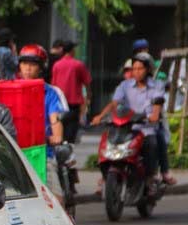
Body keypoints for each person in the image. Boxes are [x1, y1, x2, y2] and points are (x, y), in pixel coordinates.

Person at [91, 53, 163, 194]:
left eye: (140, 69)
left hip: (145, 128)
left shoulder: (157, 86)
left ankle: (149, 179)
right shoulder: (125, 86)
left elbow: (157, 104)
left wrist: (154, 115)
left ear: (147, 69)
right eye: (134, 69)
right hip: (125, 127)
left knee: (152, 144)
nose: (136, 72)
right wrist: (100, 116)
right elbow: (114, 104)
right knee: (106, 143)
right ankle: (105, 179)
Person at [17, 44, 68, 202]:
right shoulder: (11, 89)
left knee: (57, 200)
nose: (27, 68)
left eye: (32, 64)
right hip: (15, 152)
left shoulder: (50, 93)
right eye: (24, 63)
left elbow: (55, 119)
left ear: (41, 68)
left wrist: (56, 136)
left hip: (43, 152)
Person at [50, 39, 91, 143]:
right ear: (72, 51)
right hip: (73, 106)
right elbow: (87, 83)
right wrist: (88, 97)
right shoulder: (78, 65)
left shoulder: (57, 65)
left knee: (59, 133)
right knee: (70, 136)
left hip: (59, 105)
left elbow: (53, 85)